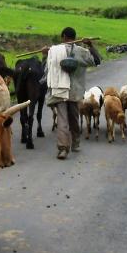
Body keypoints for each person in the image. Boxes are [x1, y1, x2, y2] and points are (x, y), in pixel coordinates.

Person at [45, 27, 96, 159]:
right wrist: (90, 46)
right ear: (74, 37)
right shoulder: (82, 52)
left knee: (62, 120)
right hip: (75, 92)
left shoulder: (54, 51)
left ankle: (63, 149)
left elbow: (47, 70)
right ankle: (76, 143)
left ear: (63, 37)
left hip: (59, 91)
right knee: (74, 118)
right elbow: (96, 61)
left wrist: (46, 54)